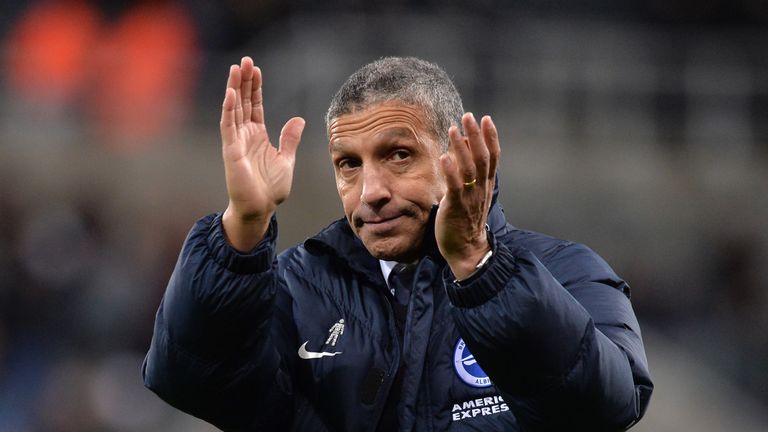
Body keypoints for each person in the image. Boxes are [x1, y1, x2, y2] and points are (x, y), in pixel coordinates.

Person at [143, 56, 653, 431]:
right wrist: (244, 226)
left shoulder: (565, 272)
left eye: (399, 155)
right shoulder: (297, 290)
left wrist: (480, 269)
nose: (372, 192)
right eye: (349, 164)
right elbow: (189, 378)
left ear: (456, 153)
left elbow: (607, 407)